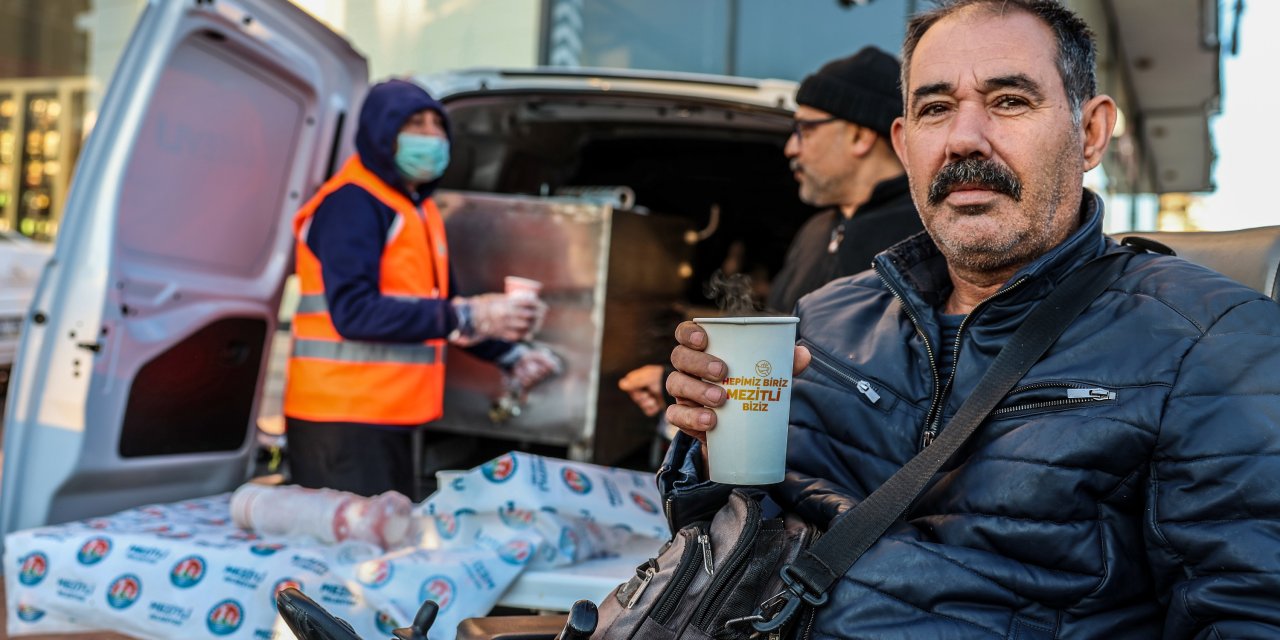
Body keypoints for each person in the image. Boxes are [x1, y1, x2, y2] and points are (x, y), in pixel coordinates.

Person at [661, 1, 1280, 637]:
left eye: (1010, 100)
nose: (964, 138)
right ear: (905, 145)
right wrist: (709, 451)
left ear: (1091, 133)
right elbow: (741, 545)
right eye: (935, 108)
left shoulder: (1212, 340)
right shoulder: (824, 318)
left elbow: (1248, 613)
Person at [284, 79, 559, 499]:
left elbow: (440, 311)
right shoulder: (351, 203)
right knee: (352, 556)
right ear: (382, 133)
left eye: (438, 126)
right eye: (415, 124)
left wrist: (508, 353)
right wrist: (470, 315)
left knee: (385, 548)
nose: (431, 137)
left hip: (392, 415)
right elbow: (353, 313)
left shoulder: (418, 209)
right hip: (340, 421)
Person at [619, 47, 923, 418]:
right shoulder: (816, 230)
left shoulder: (920, 238)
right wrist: (679, 380)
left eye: (805, 129)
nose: (790, 147)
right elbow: (775, 347)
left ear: (860, 136)